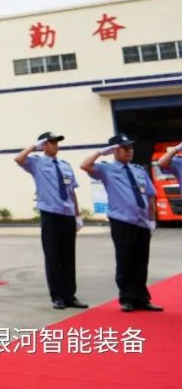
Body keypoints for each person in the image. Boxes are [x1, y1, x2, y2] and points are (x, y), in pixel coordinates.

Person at [80, 134, 161, 312]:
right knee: (125, 260)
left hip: (142, 223)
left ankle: (142, 298)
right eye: (125, 148)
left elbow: (150, 196)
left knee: (141, 262)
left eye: (130, 148)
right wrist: (101, 152)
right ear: (114, 151)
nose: (129, 151)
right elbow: (85, 165)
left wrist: (152, 220)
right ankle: (127, 298)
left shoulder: (138, 170)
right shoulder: (106, 169)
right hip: (122, 221)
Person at [14, 132, 86, 310]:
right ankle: (57, 296)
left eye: (56, 143)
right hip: (50, 215)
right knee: (53, 257)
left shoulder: (65, 165)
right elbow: (18, 159)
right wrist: (34, 146)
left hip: (67, 215)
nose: (55, 145)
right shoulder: (36, 163)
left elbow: (71, 191)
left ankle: (70, 295)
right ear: (44, 145)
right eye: (51, 142)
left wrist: (77, 215)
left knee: (68, 257)